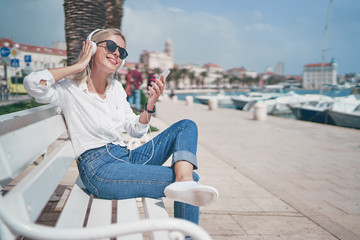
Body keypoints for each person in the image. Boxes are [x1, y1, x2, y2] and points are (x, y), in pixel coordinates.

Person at [24, 28, 218, 227]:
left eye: (122, 52)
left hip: (125, 157)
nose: (117, 53)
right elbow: (32, 84)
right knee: (194, 179)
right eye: (110, 46)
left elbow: (135, 129)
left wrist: (150, 104)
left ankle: (183, 181)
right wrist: (78, 66)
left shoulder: (116, 88)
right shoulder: (68, 88)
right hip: (100, 169)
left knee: (186, 126)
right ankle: (186, 189)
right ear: (91, 48)